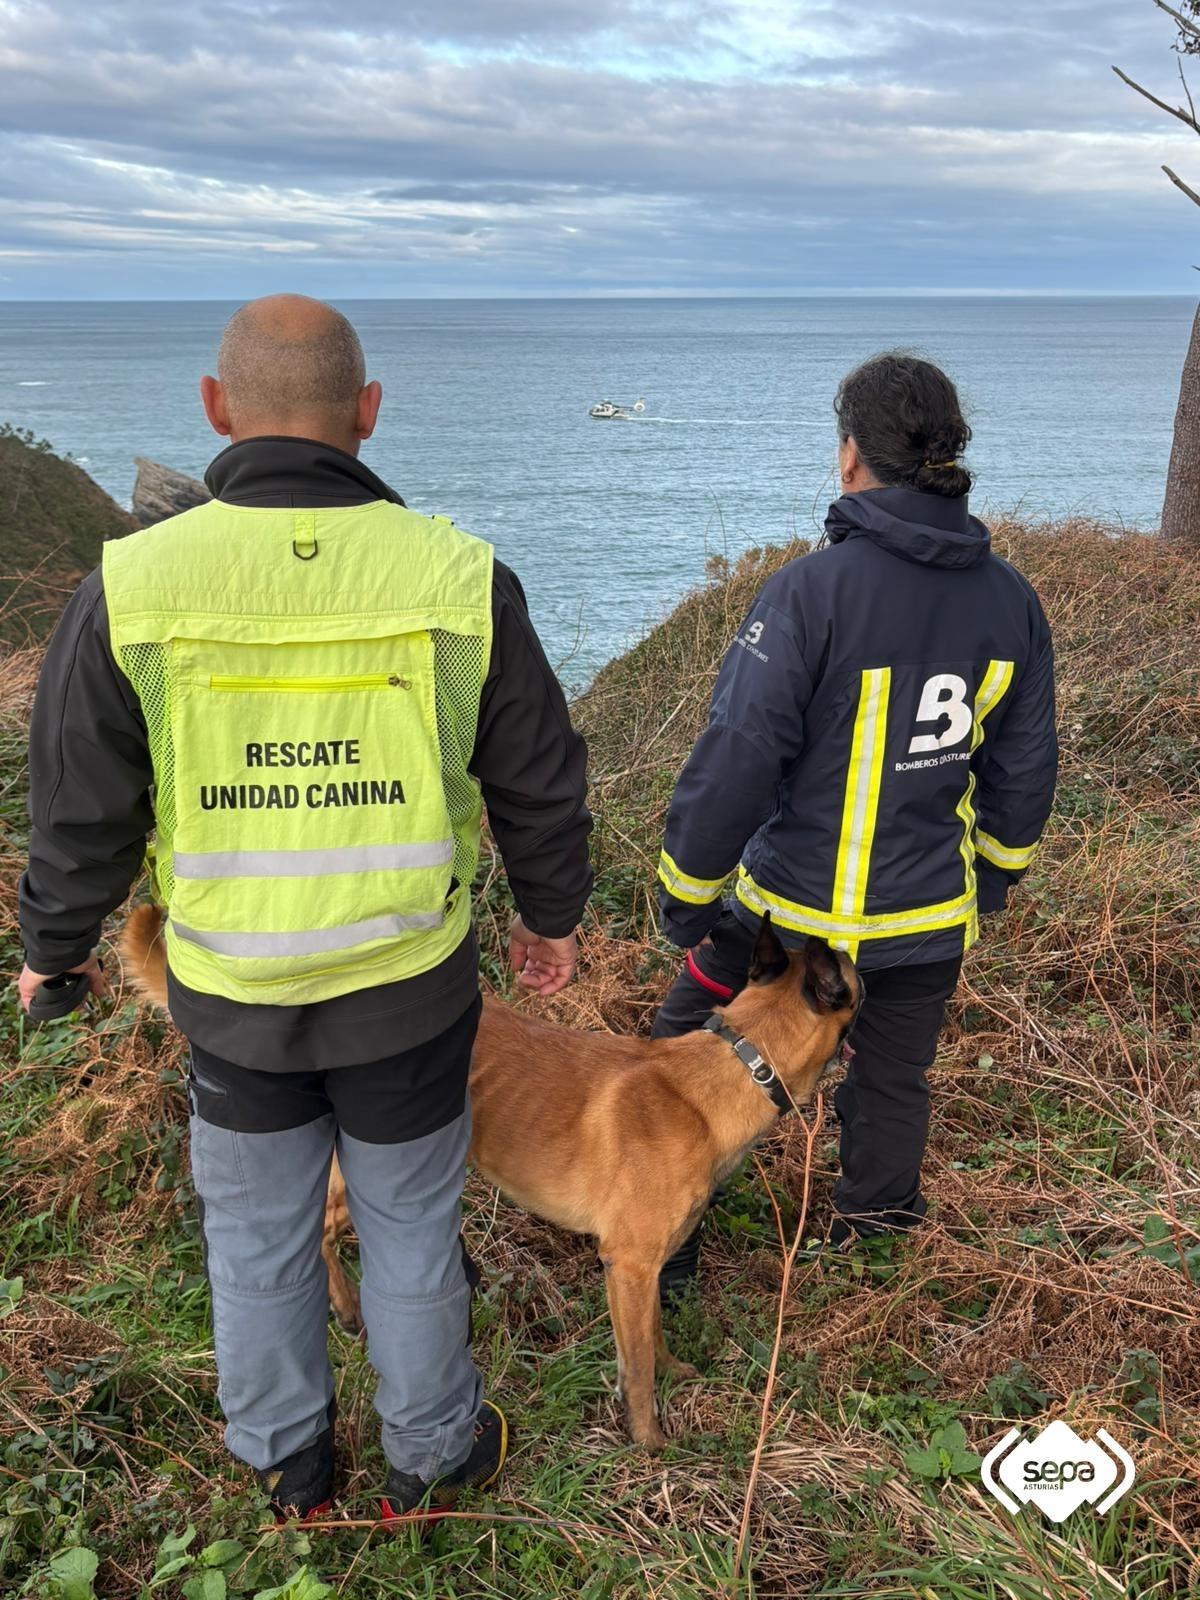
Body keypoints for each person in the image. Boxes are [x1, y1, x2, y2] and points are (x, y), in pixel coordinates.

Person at [16, 294, 592, 1520]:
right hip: (408, 995)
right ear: (367, 415)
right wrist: (551, 918)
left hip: (233, 1001)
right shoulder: (459, 575)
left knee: (260, 1241)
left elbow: (82, 811)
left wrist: (50, 955)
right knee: (410, 1232)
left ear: (218, 409)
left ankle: (286, 1461)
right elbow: (539, 777)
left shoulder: (132, 585)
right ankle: (430, 1457)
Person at [652, 351, 1056, 1296]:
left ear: (849, 459)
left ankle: (667, 1251)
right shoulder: (1013, 603)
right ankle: (875, 1242)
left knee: (682, 1056)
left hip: (790, 919)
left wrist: (687, 894)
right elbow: (1025, 769)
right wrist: (992, 878)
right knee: (892, 1082)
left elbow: (737, 757)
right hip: (923, 921)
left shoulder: (807, 594)